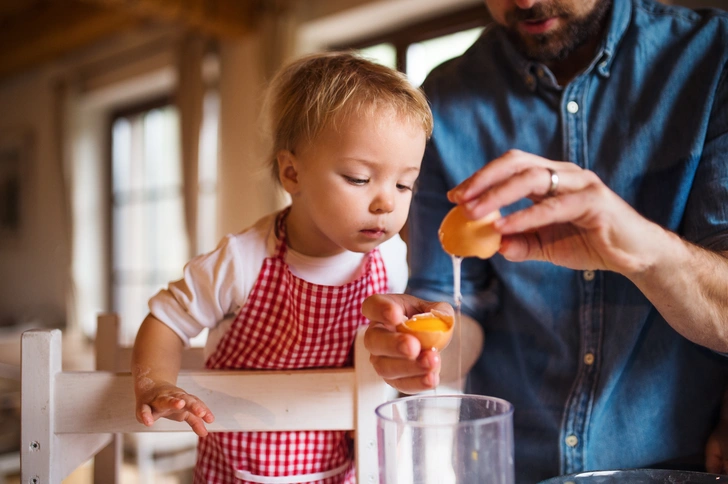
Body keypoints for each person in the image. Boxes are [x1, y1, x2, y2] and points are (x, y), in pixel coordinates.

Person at [362, 0, 728, 481]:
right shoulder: (446, 99)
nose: (525, 1)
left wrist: (641, 249)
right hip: (509, 466)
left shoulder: (712, 57)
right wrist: (421, 347)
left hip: (680, 467)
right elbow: (456, 302)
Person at [130, 51, 433, 484]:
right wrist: (155, 384)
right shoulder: (243, 260)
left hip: (339, 469)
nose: (386, 201)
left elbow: (390, 368)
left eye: (404, 184)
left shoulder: (388, 269)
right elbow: (166, 319)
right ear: (292, 173)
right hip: (234, 471)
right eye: (359, 178)